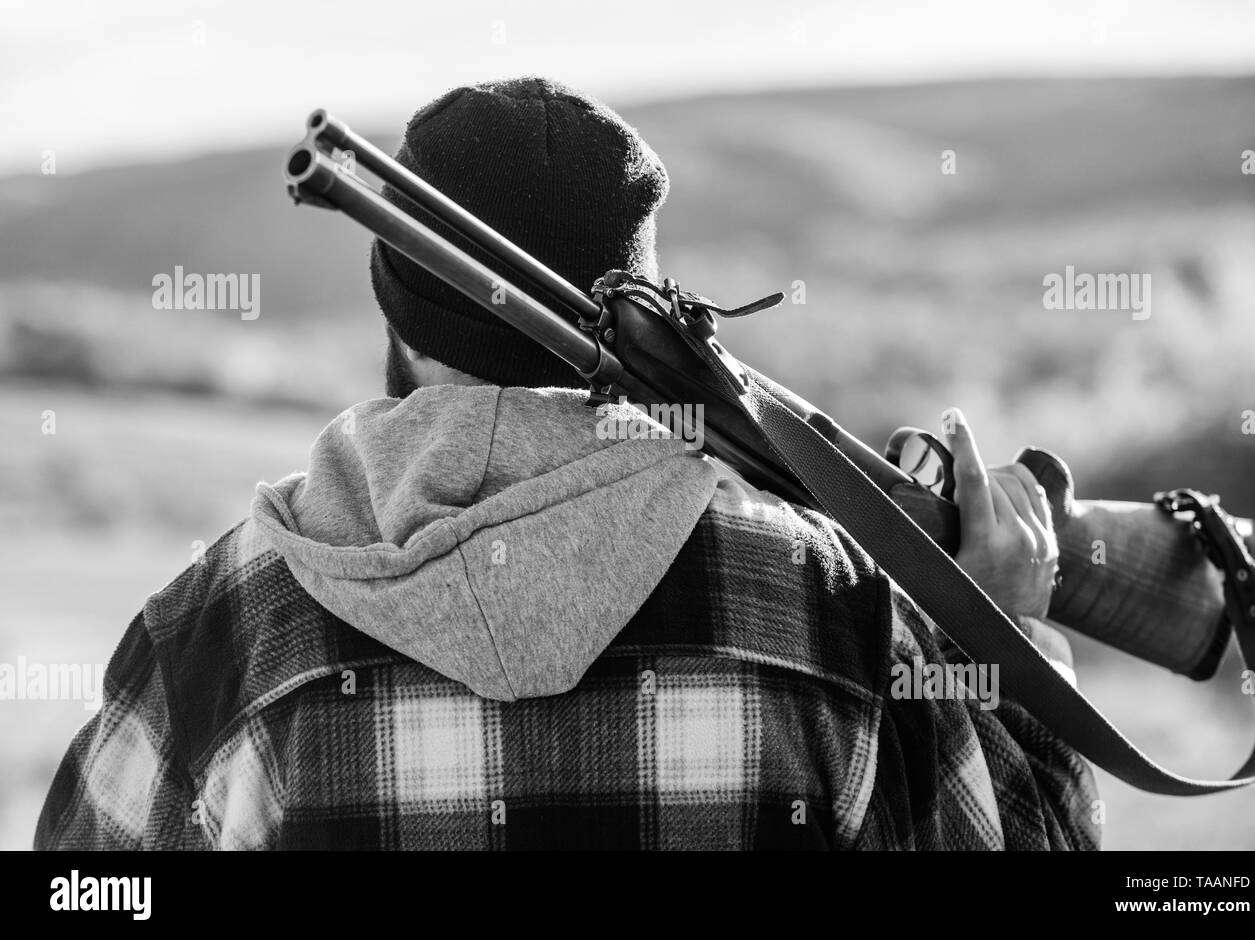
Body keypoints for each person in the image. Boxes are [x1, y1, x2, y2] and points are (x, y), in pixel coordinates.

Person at [36, 77, 1098, 850]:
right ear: (652, 326)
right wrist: (1012, 650)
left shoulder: (219, 627)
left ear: (396, 322)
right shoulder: (833, 605)